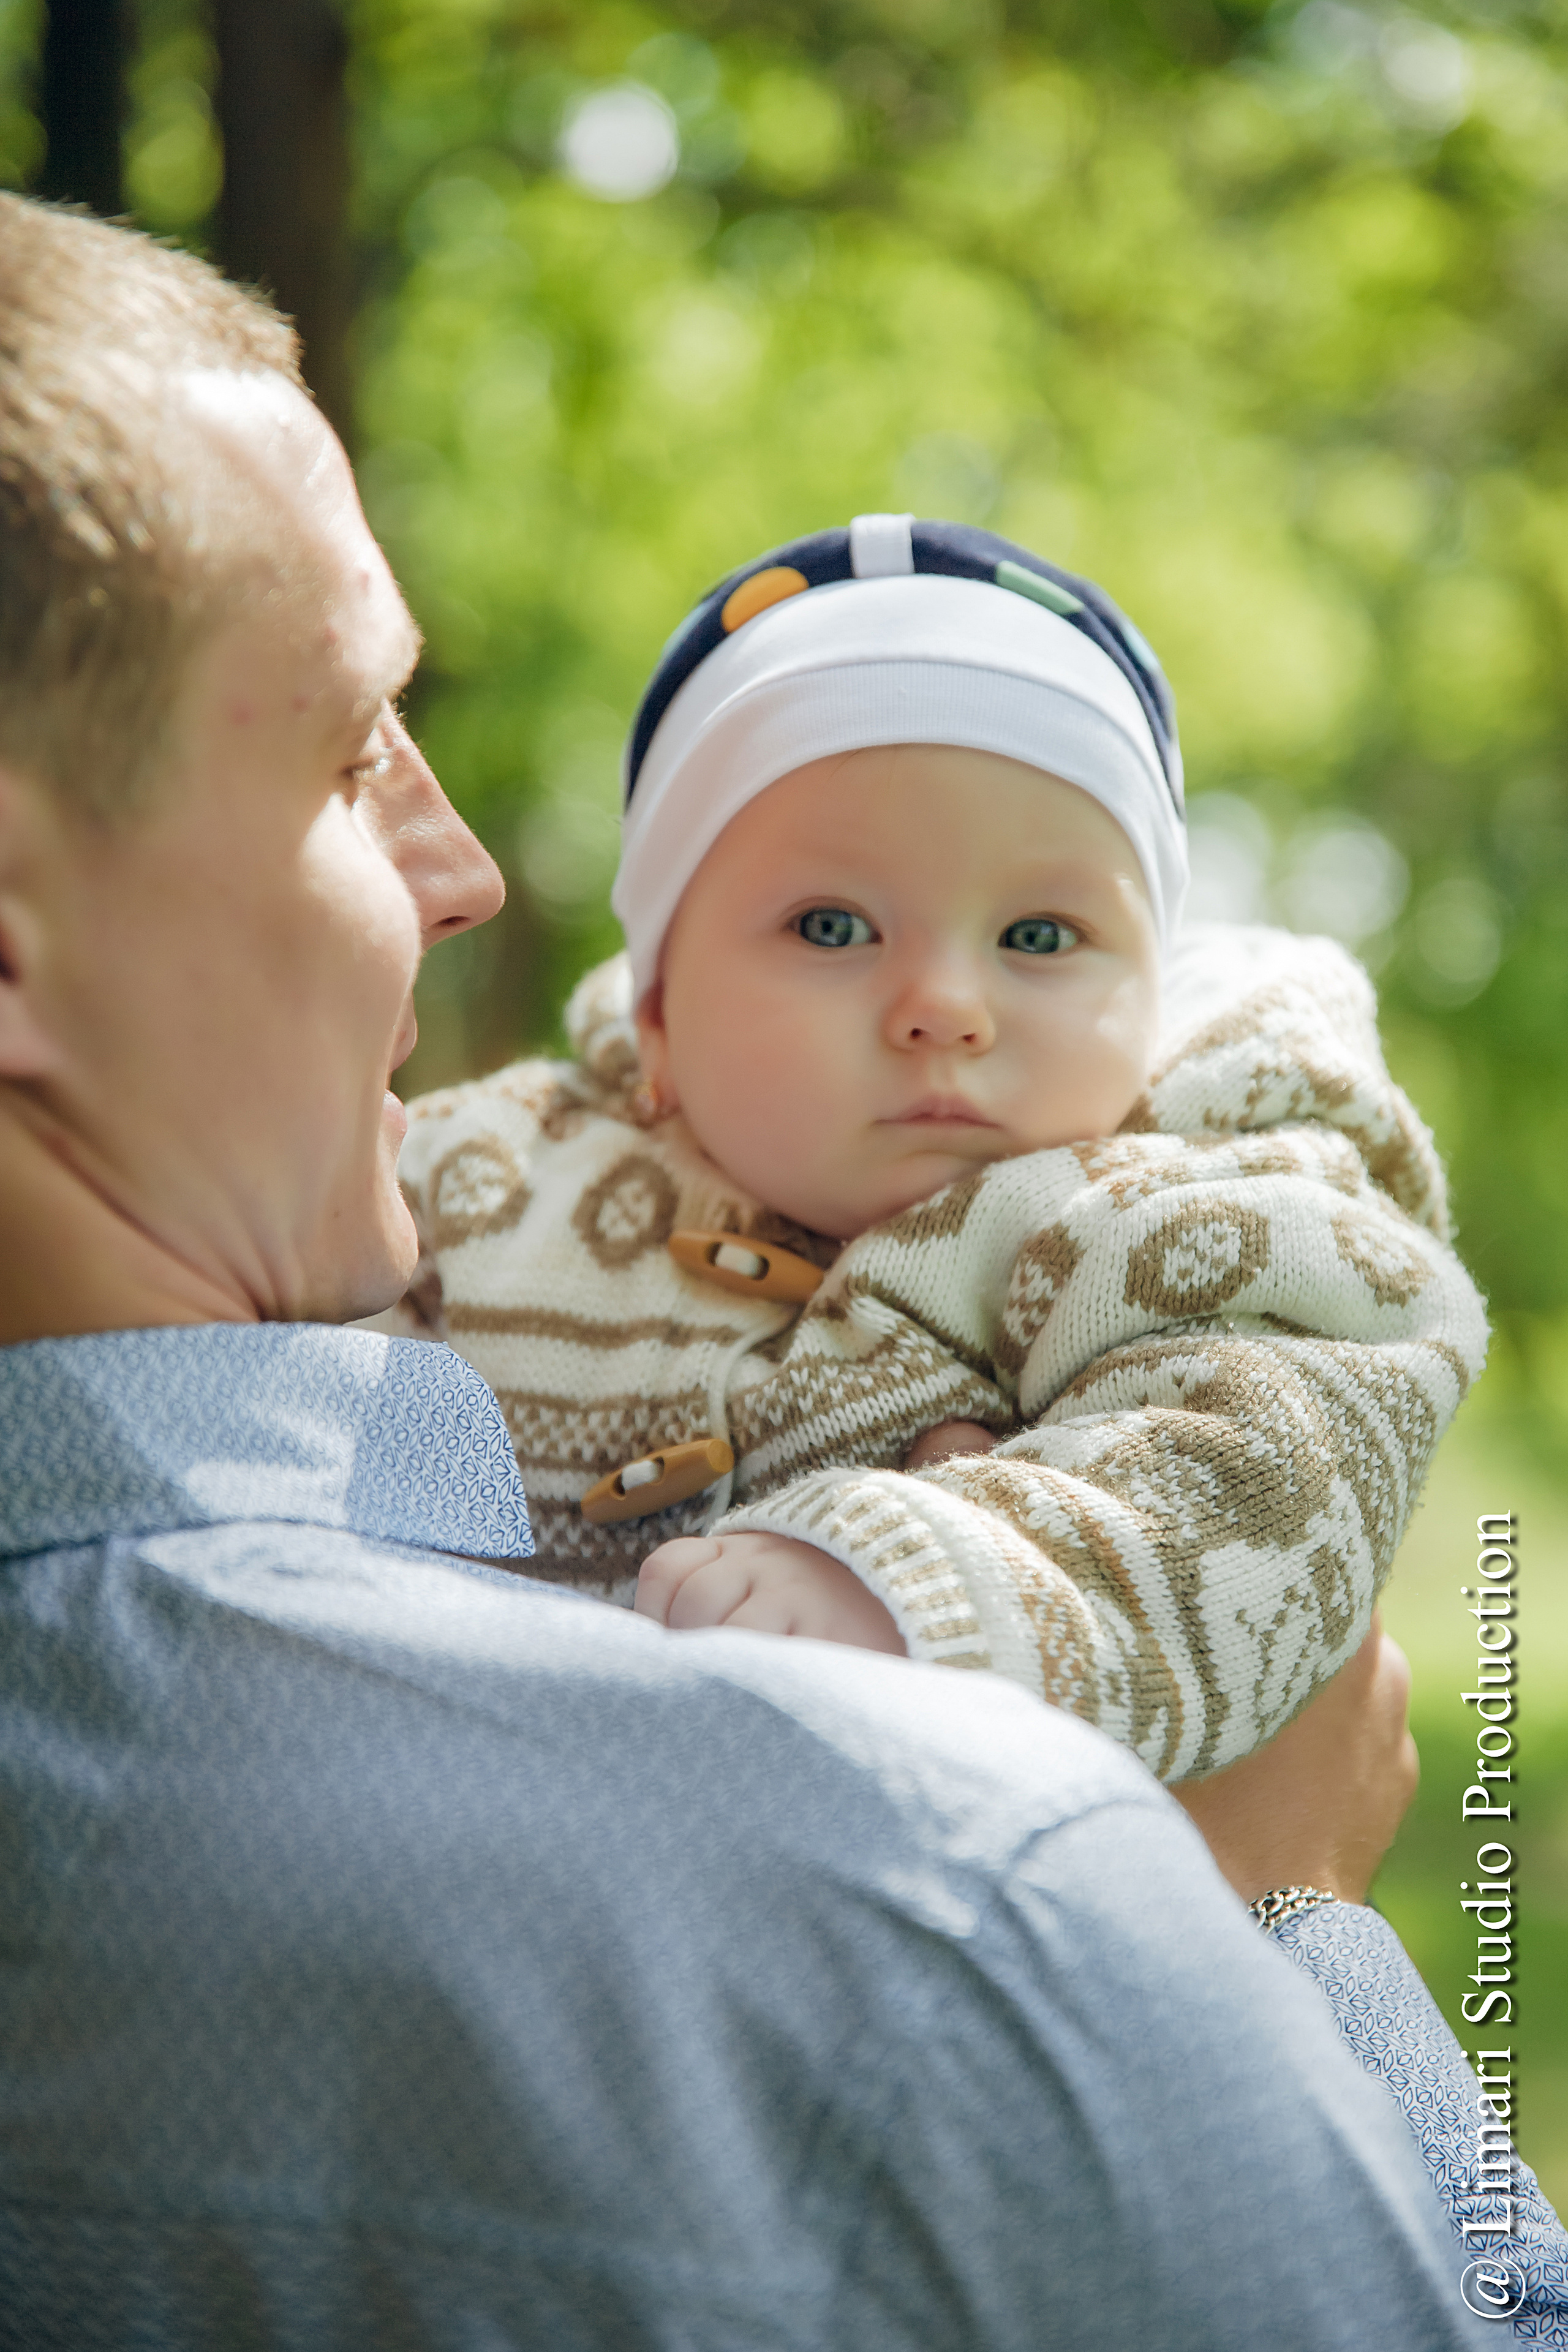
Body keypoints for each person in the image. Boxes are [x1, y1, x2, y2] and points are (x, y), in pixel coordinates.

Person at [0, 194, 1561, 2351]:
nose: (467, 871)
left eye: (1043, 934)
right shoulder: (954, 1913)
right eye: (353, 760)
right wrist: (1251, 1928)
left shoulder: (1180, 1219)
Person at [388, 517, 1486, 1784]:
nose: (945, 1007)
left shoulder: (1191, 1213)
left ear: (1154, 994)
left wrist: (898, 1575)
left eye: (1038, 936)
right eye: (832, 924)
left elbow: (1269, 1473)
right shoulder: (484, 1184)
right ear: (659, 1014)